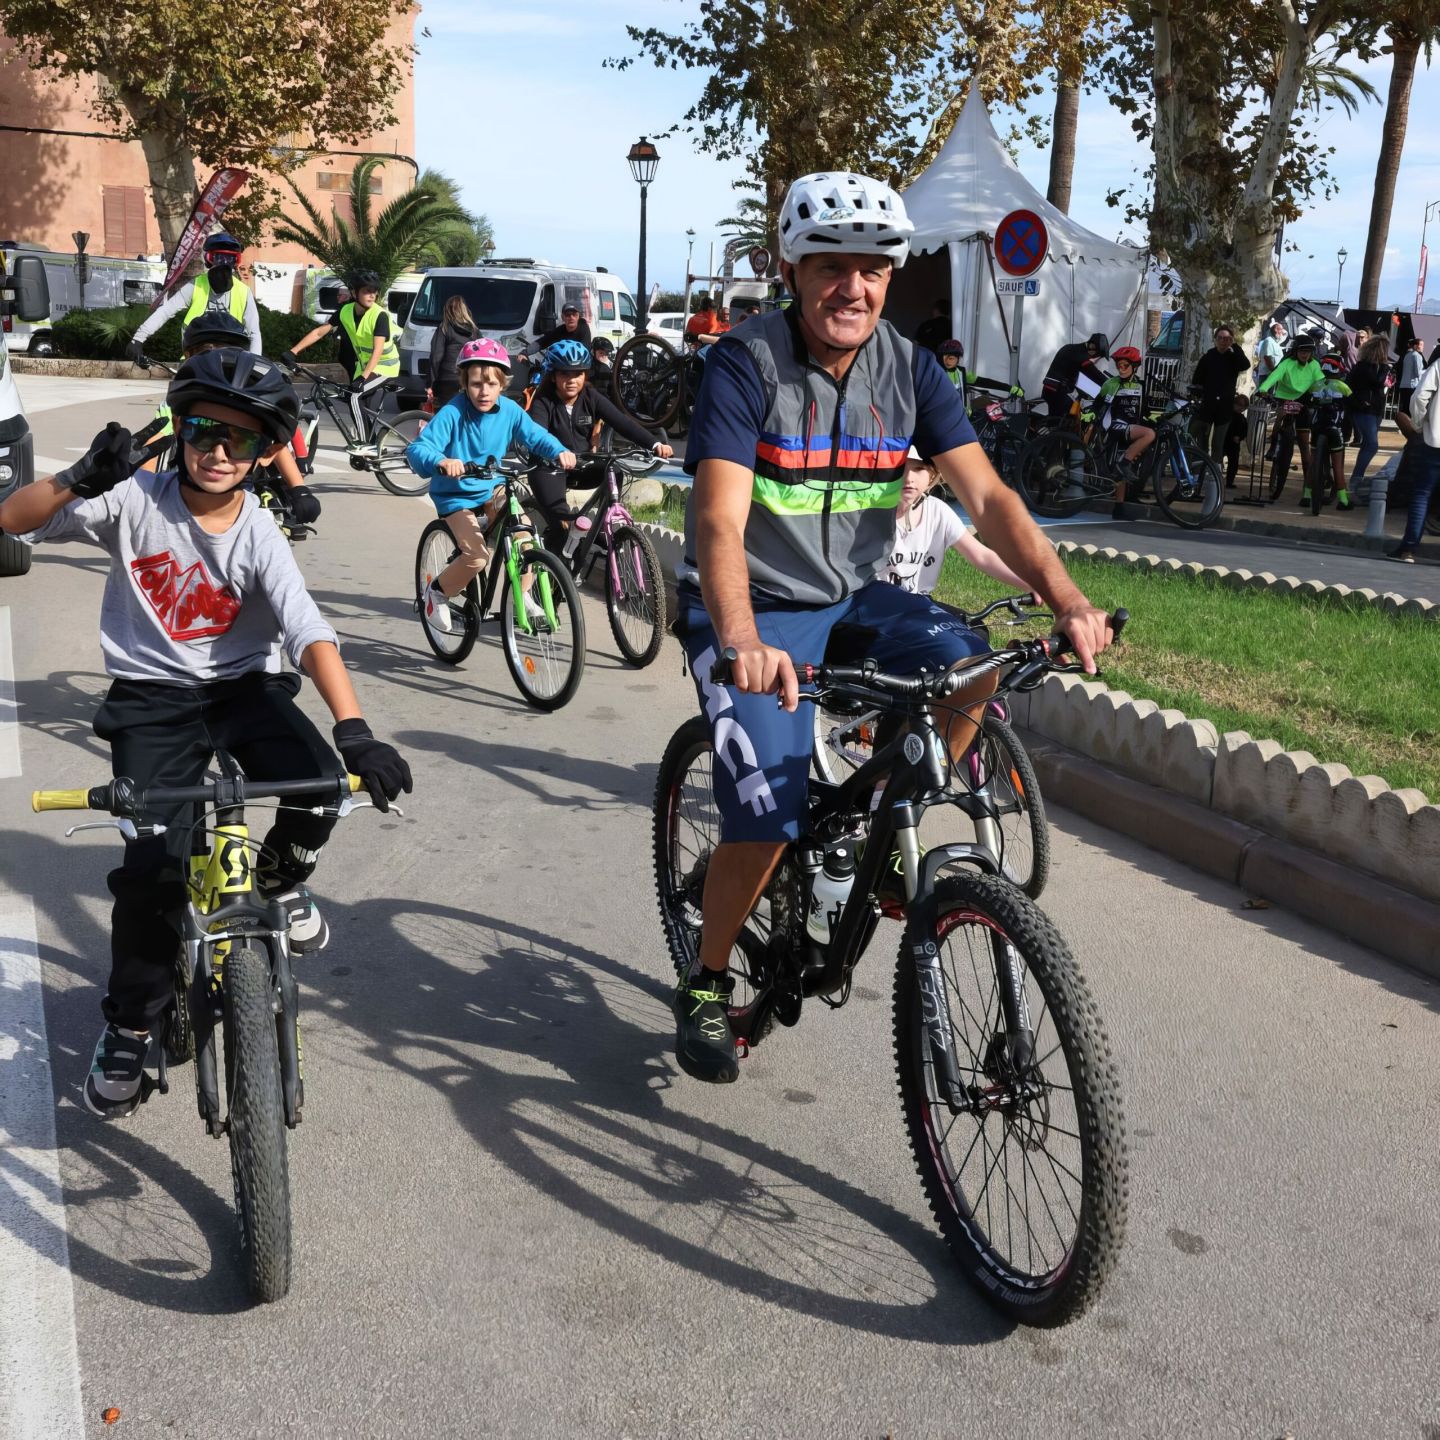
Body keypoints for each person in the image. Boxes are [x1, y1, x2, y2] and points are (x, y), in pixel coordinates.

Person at [670, 169, 1113, 1083]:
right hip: (750, 605)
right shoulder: (744, 365)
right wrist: (742, 640)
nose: (854, 287)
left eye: (873, 269)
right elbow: (716, 518)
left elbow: (989, 497)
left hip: (853, 597)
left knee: (972, 665)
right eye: (830, 266)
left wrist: (1067, 598)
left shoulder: (910, 369)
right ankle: (708, 980)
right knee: (767, 815)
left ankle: (876, 841)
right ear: (790, 271)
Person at [0, 351, 411, 1118]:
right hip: (151, 700)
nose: (219, 450)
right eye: (202, 430)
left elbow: (307, 628)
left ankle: (279, 882)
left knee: (323, 787)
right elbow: (12, 520)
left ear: (265, 451)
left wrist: (355, 729)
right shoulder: (134, 499)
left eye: (241, 438)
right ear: (179, 430)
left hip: (240, 689)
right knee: (153, 873)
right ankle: (131, 1024)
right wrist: (79, 478)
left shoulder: (258, 529)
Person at [405, 339, 576, 633]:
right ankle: (436, 593)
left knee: (526, 538)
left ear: (502, 385)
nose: (483, 392)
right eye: (475, 384)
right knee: (477, 557)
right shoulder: (453, 412)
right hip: (456, 495)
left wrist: (559, 451)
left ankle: (522, 596)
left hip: (492, 486)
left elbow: (535, 435)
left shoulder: (510, 410)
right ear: (464, 383)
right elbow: (418, 449)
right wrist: (441, 461)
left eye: (491, 384)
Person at [149, 312, 321, 526]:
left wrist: (299, 489)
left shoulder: (249, 394)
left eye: (225, 350)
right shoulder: (180, 401)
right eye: (205, 352)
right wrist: (144, 491)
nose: (216, 357)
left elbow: (275, 448)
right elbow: (154, 443)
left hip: (240, 492)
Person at [525, 340, 674, 551]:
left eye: (578, 374)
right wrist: (558, 452)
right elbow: (537, 434)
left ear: (585, 374)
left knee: (614, 471)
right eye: (564, 374)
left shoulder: (590, 396)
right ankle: (557, 562)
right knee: (561, 527)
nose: (572, 380)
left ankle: (601, 529)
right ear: (553, 375)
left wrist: (654, 443)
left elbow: (622, 422)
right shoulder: (543, 400)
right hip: (548, 467)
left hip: (582, 465)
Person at [884, 449, 1030, 595]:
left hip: (919, 602)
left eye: (918, 468)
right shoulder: (874, 514)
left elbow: (981, 556)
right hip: (878, 602)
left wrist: (1031, 582)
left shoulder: (938, 512)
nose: (909, 478)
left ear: (932, 475)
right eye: (900, 469)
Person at [281, 271, 399, 445]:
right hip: (365, 367)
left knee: (354, 397)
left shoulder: (379, 315)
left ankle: (365, 444)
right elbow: (320, 332)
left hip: (385, 367)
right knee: (354, 402)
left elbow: (378, 350)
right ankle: (372, 444)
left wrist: (363, 377)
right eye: (367, 291)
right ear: (354, 293)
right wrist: (293, 351)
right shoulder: (345, 311)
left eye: (374, 291)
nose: (372, 295)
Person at [128, 233, 262, 361]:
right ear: (208, 259)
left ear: (236, 261)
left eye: (230, 258)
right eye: (218, 258)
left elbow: (254, 333)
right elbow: (166, 310)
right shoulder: (196, 285)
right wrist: (138, 339)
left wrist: (254, 363)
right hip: (195, 357)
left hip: (231, 360)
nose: (224, 263)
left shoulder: (244, 292)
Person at [1258, 332, 1324, 477]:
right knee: (1280, 417)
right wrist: (1263, 389)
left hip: (1304, 401)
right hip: (1285, 398)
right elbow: (1273, 377)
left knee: (1304, 444)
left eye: (1308, 351)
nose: (1305, 354)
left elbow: (1321, 382)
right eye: (1301, 351)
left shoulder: (1314, 364)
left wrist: (1324, 394)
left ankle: (1308, 480)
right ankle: (1273, 446)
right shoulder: (1287, 363)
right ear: (1295, 351)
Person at [1095, 346, 1155, 493]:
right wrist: (1092, 414)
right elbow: (1098, 404)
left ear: (1134, 367)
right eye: (1118, 365)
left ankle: (1119, 504)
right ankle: (1123, 464)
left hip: (1132, 429)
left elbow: (1145, 410)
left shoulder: (1141, 385)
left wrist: (1154, 419)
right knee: (1149, 434)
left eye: (1125, 365)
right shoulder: (1110, 383)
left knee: (1121, 475)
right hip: (1116, 426)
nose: (1121, 369)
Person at [1190, 324, 1250, 466]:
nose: (1223, 341)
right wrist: (1197, 395)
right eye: (1220, 338)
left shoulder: (1234, 357)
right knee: (1202, 441)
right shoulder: (1208, 356)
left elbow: (1245, 365)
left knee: (1218, 442)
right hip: (1207, 405)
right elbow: (1197, 379)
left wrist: (1235, 347)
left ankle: (1215, 471)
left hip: (1225, 406)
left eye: (1227, 338)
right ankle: (1198, 470)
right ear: (1215, 339)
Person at [1344, 334, 1392, 507]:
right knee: (1372, 444)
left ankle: (1356, 481)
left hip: (1373, 409)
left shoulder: (1369, 367)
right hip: (1364, 409)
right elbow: (1377, 383)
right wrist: (1385, 369)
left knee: (1367, 444)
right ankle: (1356, 480)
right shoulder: (1365, 367)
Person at [1302, 353, 1353, 508]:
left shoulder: (1315, 386)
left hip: (1317, 427)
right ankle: (1343, 500)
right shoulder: (1343, 386)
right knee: (1337, 466)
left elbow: (1306, 401)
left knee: (1313, 463)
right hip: (1335, 428)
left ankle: (1306, 496)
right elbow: (1352, 405)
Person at [426, 295, 479, 410]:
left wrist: (431, 383)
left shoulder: (444, 328)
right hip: (468, 378)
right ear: (465, 310)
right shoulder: (474, 331)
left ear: (447, 311)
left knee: (445, 413)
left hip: (446, 380)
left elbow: (436, 357)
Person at [1040, 332, 1109, 419]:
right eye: (1098, 356)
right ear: (1094, 347)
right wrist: (1110, 383)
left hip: (1052, 390)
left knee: (1072, 412)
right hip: (1057, 392)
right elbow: (1093, 373)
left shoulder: (1072, 349)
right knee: (1073, 417)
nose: (1096, 359)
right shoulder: (1080, 355)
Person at [1222, 392, 1250, 489]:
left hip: (1234, 444)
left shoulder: (1242, 419)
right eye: (1238, 405)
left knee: (1233, 464)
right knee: (1219, 460)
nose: (1240, 408)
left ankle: (1229, 481)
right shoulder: (1228, 415)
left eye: (1243, 406)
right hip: (1225, 441)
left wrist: (1239, 437)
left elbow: (1245, 431)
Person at [1398, 336, 1424, 417]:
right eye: (1421, 345)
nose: (1422, 347)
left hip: (1404, 385)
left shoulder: (1407, 355)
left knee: (1404, 408)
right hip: (1413, 386)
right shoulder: (1417, 356)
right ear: (1415, 346)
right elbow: (1418, 373)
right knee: (1411, 409)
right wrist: (1426, 372)